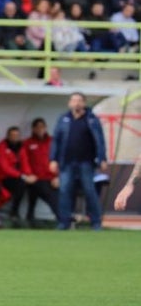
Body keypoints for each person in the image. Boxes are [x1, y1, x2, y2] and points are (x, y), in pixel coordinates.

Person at [50, 92, 107, 230]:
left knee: (89, 191)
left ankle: (96, 222)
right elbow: (56, 140)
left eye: (79, 100)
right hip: (66, 162)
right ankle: (64, 222)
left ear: (84, 103)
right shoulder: (63, 119)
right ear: (69, 103)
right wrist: (53, 159)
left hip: (86, 162)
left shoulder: (92, 119)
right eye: (74, 100)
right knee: (65, 191)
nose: (76, 103)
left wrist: (102, 158)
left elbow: (100, 140)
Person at [22, 117, 61, 226]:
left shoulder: (52, 142)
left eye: (42, 127)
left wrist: (58, 176)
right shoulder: (27, 143)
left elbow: (60, 159)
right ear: (33, 129)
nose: (40, 130)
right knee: (48, 194)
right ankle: (62, 217)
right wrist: (29, 175)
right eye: (37, 127)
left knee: (59, 194)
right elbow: (24, 160)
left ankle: (64, 216)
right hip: (36, 178)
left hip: (51, 178)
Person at [0, 126, 27, 224]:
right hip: (2, 177)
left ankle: (25, 214)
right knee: (21, 184)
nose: (15, 137)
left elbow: (25, 163)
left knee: (33, 185)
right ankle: (13, 212)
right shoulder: (0, 148)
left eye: (17, 135)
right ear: (8, 136)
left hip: (15, 177)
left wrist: (28, 175)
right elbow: (5, 168)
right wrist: (21, 176)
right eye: (12, 135)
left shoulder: (21, 147)